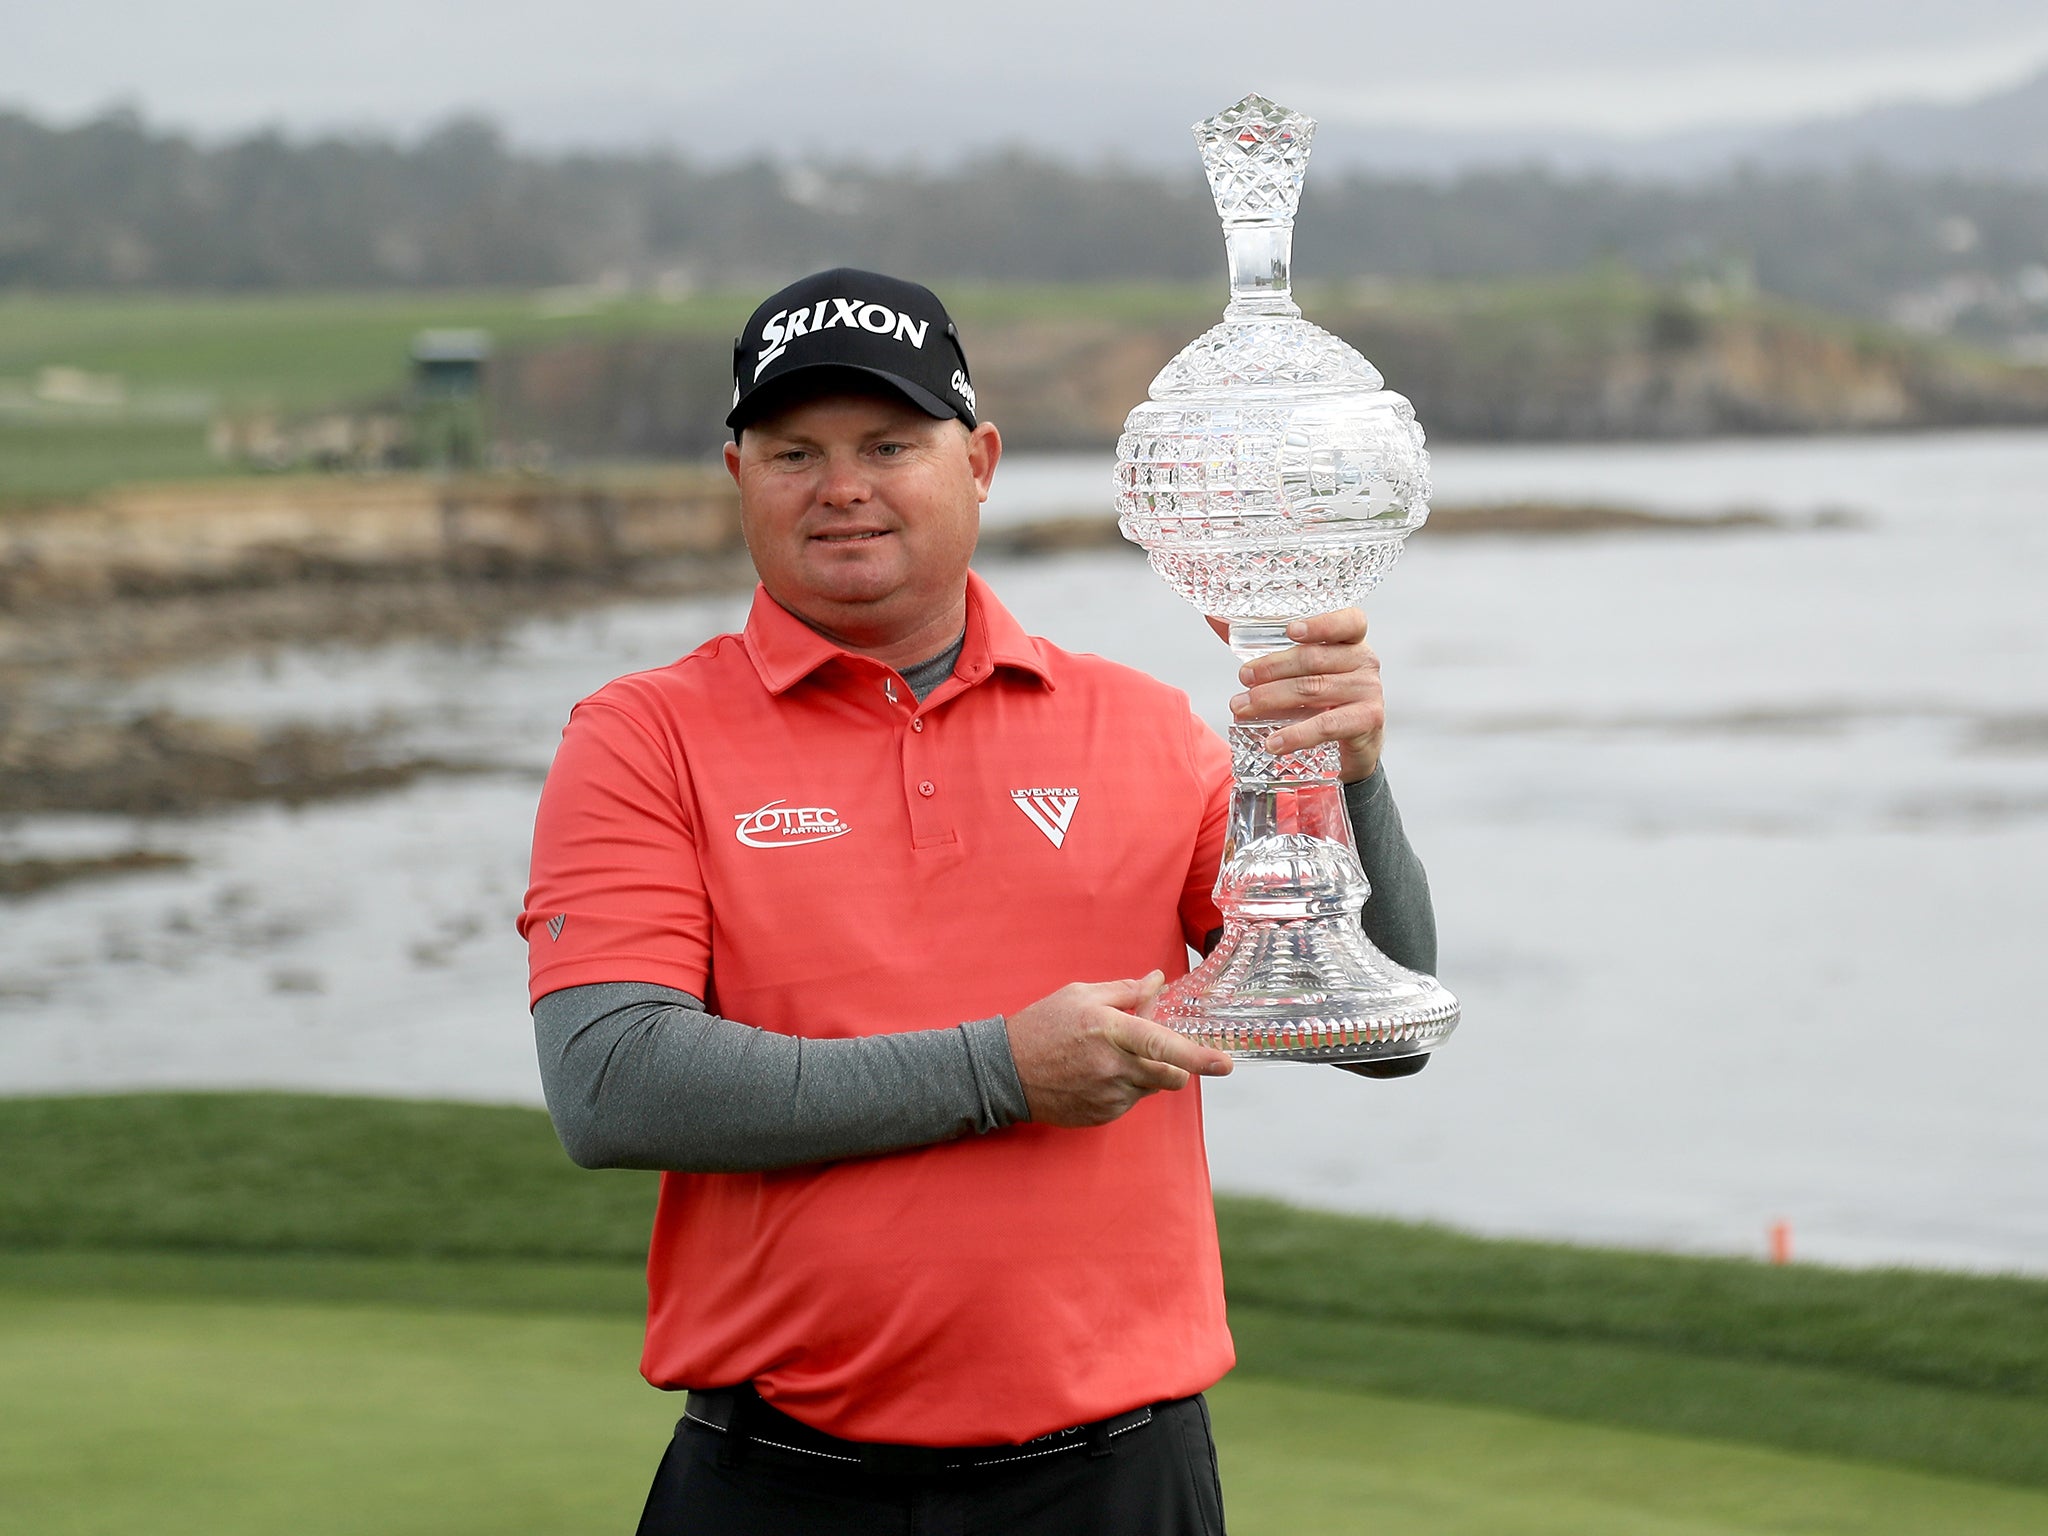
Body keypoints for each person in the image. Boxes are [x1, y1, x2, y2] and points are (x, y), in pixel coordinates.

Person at [520, 267, 1440, 1535]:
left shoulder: (1143, 727)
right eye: (795, 450)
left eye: (888, 443)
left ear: (981, 461)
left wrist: (1345, 781)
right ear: (738, 477)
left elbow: (1379, 1031)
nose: (841, 486)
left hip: (1116, 1482)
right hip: (781, 1486)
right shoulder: (641, 737)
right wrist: (1002, 1070)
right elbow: (612, 1081)